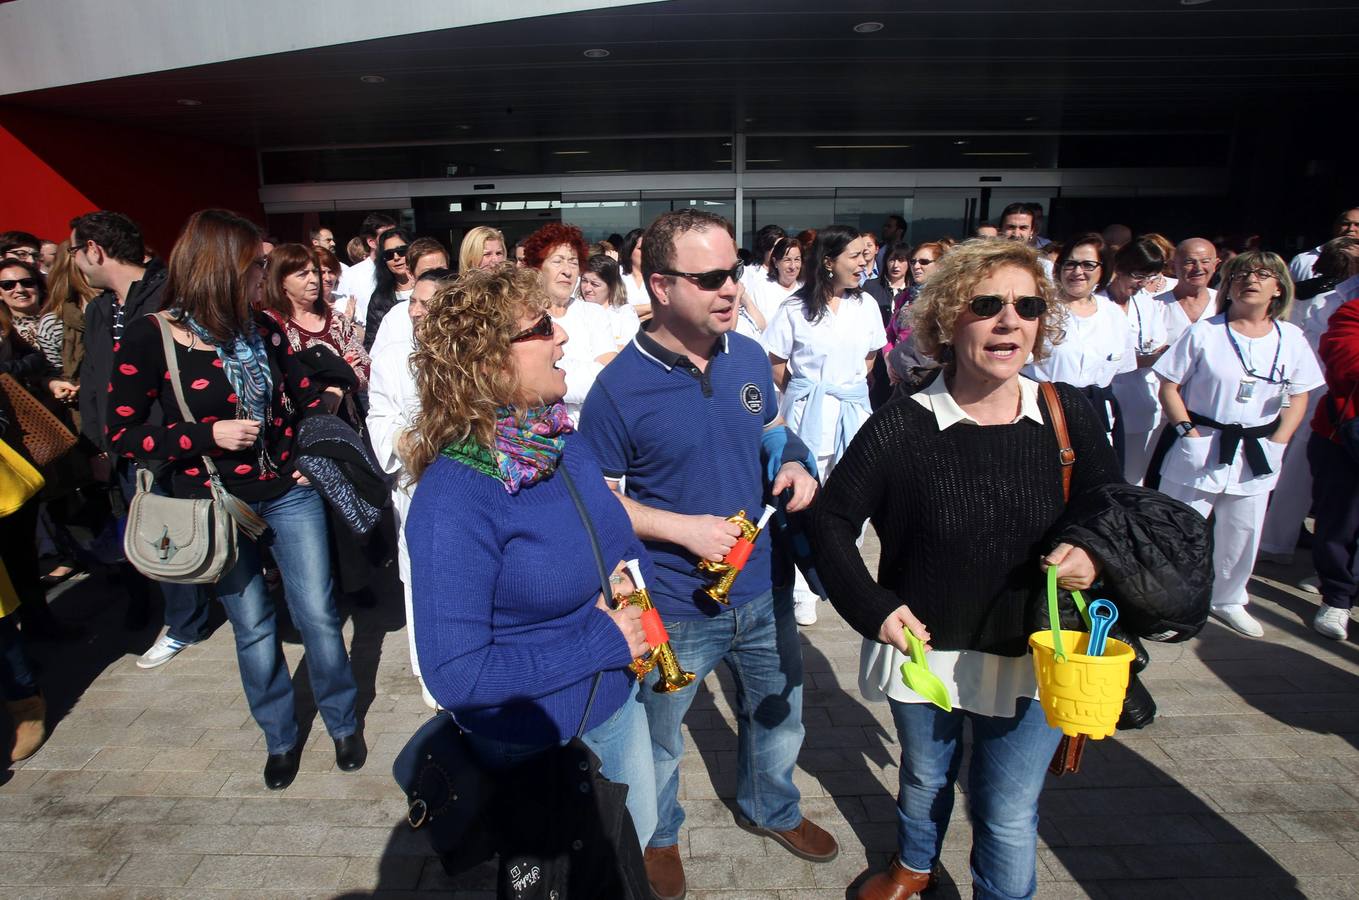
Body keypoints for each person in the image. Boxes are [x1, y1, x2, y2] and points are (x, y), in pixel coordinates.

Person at [811, 238, 1120, 900]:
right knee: (924, 778)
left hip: (1034, 652)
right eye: (987, 305)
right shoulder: (902, 425)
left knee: (1006, 815)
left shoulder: (1068, 416)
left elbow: (1110, 514)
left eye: (1027, 306)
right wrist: (874, 610)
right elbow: (831, 521)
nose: (1009, 320)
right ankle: (914, 864)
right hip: (926, 650)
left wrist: (1093, 555)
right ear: (949, 319)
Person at [580, 209, 835, 900]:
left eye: (735, 272)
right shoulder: (617, 390)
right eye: (712, 277)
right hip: (674, 603)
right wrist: (680, 529)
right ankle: (659, 835)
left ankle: (768, 806)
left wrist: (794, 463)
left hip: (762, 586)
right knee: (659, 738)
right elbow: (597, 500)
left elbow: (774, 430)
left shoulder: (748, 355)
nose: (732, 289)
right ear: (660, 285)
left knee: (778, 711)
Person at [403, 264, 658, 849]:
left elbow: (607, 526)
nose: (563, 335)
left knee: (630, 860)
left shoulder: (560, 440)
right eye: (542, 327)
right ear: (490, 362)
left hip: (615, 703)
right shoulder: (454, 499)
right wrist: (603, 640)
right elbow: (457, 676)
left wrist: (619, 571)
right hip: (535, 741)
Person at [107, 208, 363, 789]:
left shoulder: (264, 328)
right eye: (257, 265)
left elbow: (303, 396)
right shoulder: (155, 336)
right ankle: (280, 737)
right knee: (251, 625)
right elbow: (118, 434)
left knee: (320, 614)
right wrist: (205, 434)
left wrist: (308, 454)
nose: (264, 275)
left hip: (286, 494)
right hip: (214, 504)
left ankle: (343, 722)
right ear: (222, 268)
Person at [1150, 251, 1323, 638]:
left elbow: (1299, 396)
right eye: (1242, 274)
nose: (1251, 280)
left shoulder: (1290, 338)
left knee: (1243, 531)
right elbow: (1169, 386)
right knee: (1180, 526)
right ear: (1228, 285)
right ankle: (1167, 600)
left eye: (1262, 274)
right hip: (1203, 441)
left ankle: (1228, 598)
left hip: (1256, 449)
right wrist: (1187, 432)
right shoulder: (1206, 331)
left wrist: (1279, 440)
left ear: (1279, 287)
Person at [72, 210, 211, 661]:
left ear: (94, 249)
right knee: (146, 531)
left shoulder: (169, 293)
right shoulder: (98, 309)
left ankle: (184, 623)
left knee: (174, 530)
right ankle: (165, 611)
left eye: (76, 251)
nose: (76, 262)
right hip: (120, 448)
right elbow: (94, 381)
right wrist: (98, 443)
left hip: (169, 442)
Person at [766, 224, 887, 625]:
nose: (864, 262)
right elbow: (777, 364)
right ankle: (804, 586)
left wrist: (841, 389)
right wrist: (810, 391)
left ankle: (843, 573)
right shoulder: (795, 308)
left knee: (855, 495)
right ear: (829, 261)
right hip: (808, 413)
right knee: (808, 497)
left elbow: (870, 358)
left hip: (852, 411)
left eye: (865, 255)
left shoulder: (866, 306)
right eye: (855, 255)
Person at [366, 267, 450, 708]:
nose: (414, 311)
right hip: (413, 482)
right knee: (417, 576)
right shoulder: (393, 355)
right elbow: (378, 415)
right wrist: (407, 442)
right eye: (412, 301)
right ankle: (428, 673)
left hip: (463, 483)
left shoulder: (472, 354)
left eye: (425, 303)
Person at [1023, 233, 1134, 462]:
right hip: (1044, 412)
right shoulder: (1039, 309)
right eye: (1070, 264)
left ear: (1104, 270)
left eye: (1088, 265)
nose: (1077, 272)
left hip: (1096, 416)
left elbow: (1121, 367)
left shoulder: (1114, 315)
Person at [521, 223, 616, 425]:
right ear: (538, 267)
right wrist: (589, 371)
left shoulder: (594, 313)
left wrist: (557, 374)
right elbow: (528, 385)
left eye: (573, 262)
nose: (567, 271)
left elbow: (610, 378)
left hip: (592, 425)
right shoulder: (525, 318)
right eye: (558, 261)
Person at [1307, 283, 1359, 640]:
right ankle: (1337, 598)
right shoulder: (1351, 312)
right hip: (1344, 439)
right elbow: (1343, 361)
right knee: (1339, 524)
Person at [1102, 238, 1172, 484]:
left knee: (1133, 477)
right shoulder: (1097, 301)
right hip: (1103, 401)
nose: (1142, 284)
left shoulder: (1146, 303)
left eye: (1149, 278)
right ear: (1118, 267)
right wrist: (1145, 359)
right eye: (1137, 275)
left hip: (1141, 400)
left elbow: (1158, 343)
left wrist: (1147, 357)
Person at [336, 212, 396, 324]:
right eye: (386, 237)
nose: (393, 241)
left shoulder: (404, 271)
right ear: (371, 242)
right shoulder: (350, 276)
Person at [362, 228, 418, 349]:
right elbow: (371, 343)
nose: (396, 257)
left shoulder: (428, 290)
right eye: (389, 254)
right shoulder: (379, 298)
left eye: (401, 251)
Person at [1158, 237, 1219, 346]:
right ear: (1173, 266)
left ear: (1215, 265)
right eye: (1189, 262)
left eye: (1205, 261)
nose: (1198, 268)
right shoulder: (1155, 306)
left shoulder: (1226, 304)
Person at [580, 253, 641, 350]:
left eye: (594, 284)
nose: (587, 288)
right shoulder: (575, 310)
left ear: (611, 286)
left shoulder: (624, 313)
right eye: (584, 281)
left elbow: (630, 349)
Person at [1289, 207, 1359, 282]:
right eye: (1345, 224)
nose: (1351, 229)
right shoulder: (1303, 260)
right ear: (1335, 227)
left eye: (1357, 224)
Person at [618, 227, 651, 320]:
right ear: (629, 250)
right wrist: (652, 308)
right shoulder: (617, 274)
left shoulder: (658, 275)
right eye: (641, 248)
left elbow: (665, 310)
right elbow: (616, 310)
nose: (646, 252)